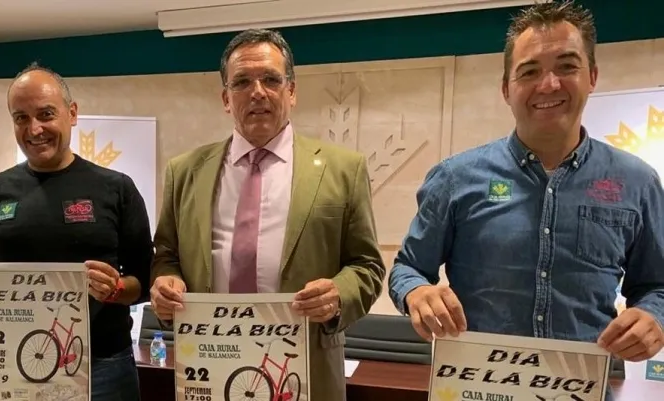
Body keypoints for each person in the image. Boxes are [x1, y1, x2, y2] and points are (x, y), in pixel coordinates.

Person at [389, 0, 664, 397]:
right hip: (476, 390)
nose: (548, 84)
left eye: (566, 66)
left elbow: (657, 285)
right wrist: (416, 292)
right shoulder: (455, 178)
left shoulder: (637, 182)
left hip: (581, 390)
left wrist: (653, 315)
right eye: (530, 71)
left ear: (592, 76)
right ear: (507, 89)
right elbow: (408, 269)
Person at [149, 28, 385, 401]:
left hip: (305, 371)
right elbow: (166, 255)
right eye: (242, 82)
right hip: (209, 366)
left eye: (271, 80)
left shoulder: (344, 169)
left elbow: (367, 266)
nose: (257, 92)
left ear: (291, 91)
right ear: (226, 98)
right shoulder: (185, 171)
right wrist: (166, 283)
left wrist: (338, 294)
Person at [0, 63, 154, 400]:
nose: (34, 129)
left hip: (103, 369)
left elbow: (144, 280)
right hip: (12, 366)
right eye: (21, 118)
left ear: (72, 113)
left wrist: (115, 289)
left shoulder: (117, 188)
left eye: (46, 114)